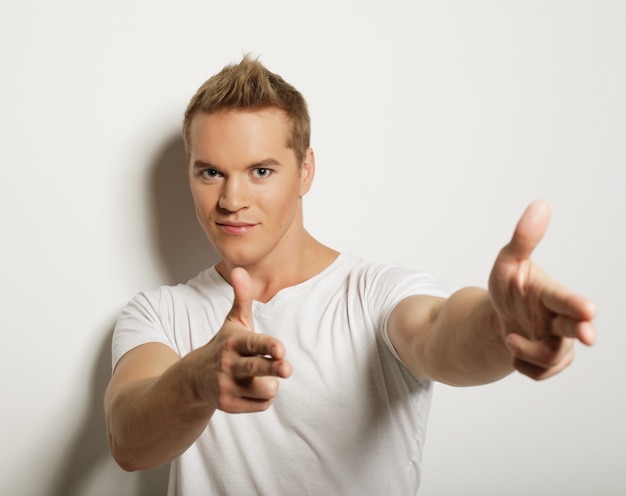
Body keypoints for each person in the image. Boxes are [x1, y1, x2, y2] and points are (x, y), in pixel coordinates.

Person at [104, 55, 596, 496]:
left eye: (261, 171)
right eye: (210, 172)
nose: (232, 200)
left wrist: (501, 326)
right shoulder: (158, 312)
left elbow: (442, 333)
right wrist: (197, 381)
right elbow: (128, 441)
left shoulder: (374, 293)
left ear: (305, 172)